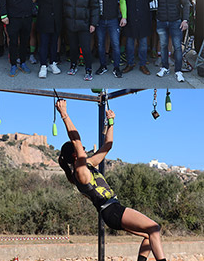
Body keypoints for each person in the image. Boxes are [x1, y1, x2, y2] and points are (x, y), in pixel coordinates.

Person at [56, 99, 167, 261]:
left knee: (150, 235)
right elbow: (76, 141)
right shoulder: (80, 172)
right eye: (82, 149)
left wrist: (111, 122)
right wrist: (64, 114)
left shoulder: (88, 164)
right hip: (111, 210)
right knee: (154, 228)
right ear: (75, 155)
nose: (85, 149)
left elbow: (108, 145)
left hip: (112, 210)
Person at [151, 0, 190, 82]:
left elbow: (186, 4)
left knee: (177, 47)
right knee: (163, 46)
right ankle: (165, 67)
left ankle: (178, 71)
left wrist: (185, 20)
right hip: (161, 21)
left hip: (176, 21)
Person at [0, 0, 35, 77]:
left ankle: (23, 62)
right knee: (13, 42)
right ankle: (13, 64)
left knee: (25, 42)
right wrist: (4, 15)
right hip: (12, 18)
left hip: (27, 17)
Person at [63, 0, 99, 81]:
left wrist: (93, 23)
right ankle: (73, 65)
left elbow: (95, 8)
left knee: (85, 49)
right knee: (73, 47)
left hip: (84, 24)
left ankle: (88, 70)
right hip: (70, 23)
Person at [92, 0, 127, 78]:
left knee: (115, 44)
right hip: (99, 21)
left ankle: (116, 67)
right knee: (101, 44)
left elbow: (122, 1)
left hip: (113, 20)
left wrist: (124, 16)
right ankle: (103, 66)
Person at [120, 0, 153, 75]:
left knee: (143, 43)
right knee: (129, 42)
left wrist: (144, 2)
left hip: (143, 15)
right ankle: (130, 63)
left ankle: (143, 64)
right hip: (130, 15)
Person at [34, 0, 65, 78]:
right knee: (43, 43)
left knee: (54, 42)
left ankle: (52, 63)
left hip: (57, 17)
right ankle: (43, 65)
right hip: (43, 16)